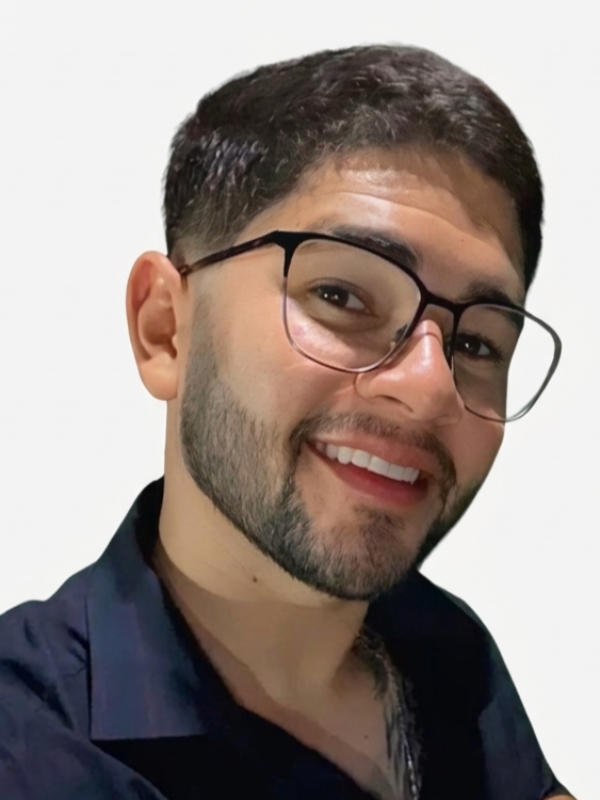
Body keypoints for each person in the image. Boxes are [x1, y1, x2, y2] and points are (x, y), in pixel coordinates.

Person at [0, 45, 573, 800]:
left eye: (476, 344)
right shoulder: (32, 748)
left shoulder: (439, 646)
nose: (433, 387)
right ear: (165, 328)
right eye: (342, 296)